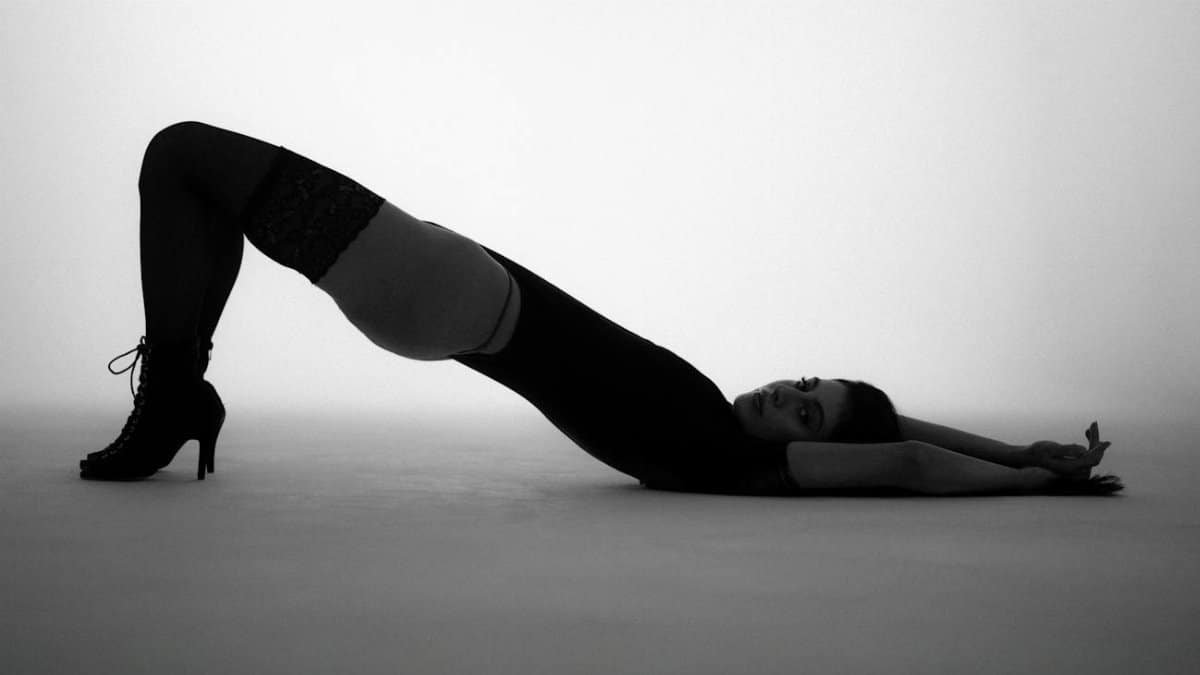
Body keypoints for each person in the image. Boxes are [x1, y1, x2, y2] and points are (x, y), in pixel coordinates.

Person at [79, 121, 1124, 496]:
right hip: (448, 296)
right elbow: (892, 429)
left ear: (808, 460)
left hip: (443, 292)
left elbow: (893, 459)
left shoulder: (729, 458)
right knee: (195, 181)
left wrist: (1029, 489)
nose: (788, 393)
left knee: (180, 155)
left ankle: (174, 397)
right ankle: (178, 397)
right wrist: (1020, 451)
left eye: (805, 412)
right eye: (807, 381)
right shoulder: (719, 439)